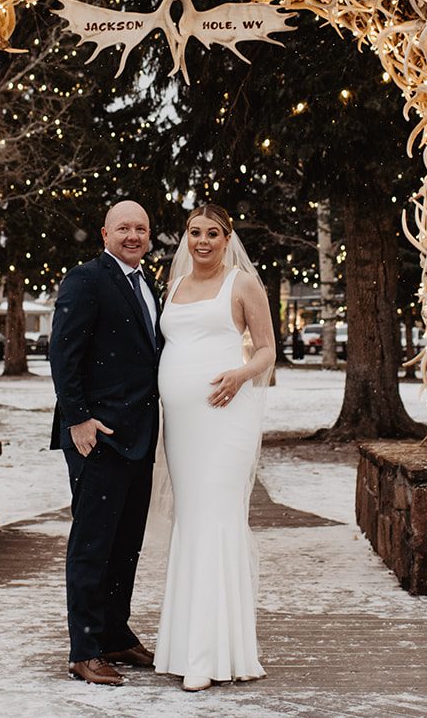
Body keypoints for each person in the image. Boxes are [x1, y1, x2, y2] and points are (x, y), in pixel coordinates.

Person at [155, 203, 276, 692]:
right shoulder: (175, 284)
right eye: (193, 232)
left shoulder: (242, 284)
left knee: (217, 520)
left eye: (211, 233)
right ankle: (183, 647)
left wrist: (240, 373)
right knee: (192, 521)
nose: (201, 241)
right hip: (181, 424)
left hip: (225, 419)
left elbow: (267, 347)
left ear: (228, 238)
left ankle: (215, 653)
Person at [48, 200, 162, 686]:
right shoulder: (87, 279)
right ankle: (85, 649)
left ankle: (115, 632)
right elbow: (63, 353)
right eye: (123, 228)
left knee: (125, 543)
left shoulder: (145, 282)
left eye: (140, 228)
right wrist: (79, 420)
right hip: (98, 436)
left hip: (139, 435)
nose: (132, 235)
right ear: (104, 234)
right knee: (93, 543)